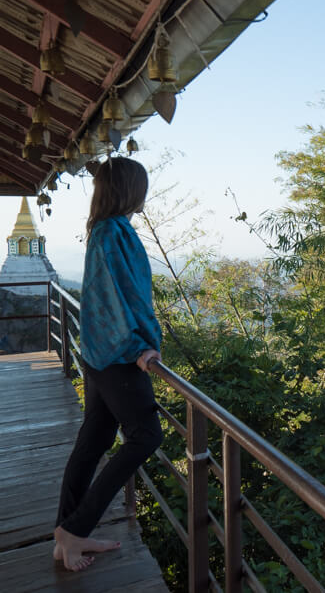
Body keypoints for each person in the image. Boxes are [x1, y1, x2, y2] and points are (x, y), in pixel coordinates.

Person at [53, 157, 164, 571]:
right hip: (118, 355)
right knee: (146, 436)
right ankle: (74, 530)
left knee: (95, 441)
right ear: (130, 190)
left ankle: (66, 536)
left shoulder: (108, 230)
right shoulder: (110, 233)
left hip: (101, 354)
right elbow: (118, 297)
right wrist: (140, 346)